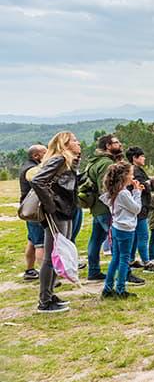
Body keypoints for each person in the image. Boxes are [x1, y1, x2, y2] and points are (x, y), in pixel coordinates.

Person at [31, 132, 81, 313]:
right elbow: (38, 181)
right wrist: (51, 206)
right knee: (51, 256)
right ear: (64, 144)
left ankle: (50, 295)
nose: (78, 143)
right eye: (74, 140)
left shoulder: (67, 161)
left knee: (57, 254)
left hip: (65, 211)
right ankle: (44, 301)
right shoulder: (58, 159)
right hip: (57, 213)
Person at [100, 162, 143, 299]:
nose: (133, 176)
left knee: (115, 259)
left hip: (117, 227)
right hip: (126, 229)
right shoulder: (123, 193)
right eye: (130, 173)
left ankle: (107, 288)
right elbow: (136, 209)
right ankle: (120, 289)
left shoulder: (113, 191)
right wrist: (137, 192)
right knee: (124, 260)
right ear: (124, 176)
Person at [84, 134, 124, 283]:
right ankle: (123, 272)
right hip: (106, 208)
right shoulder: (106, 163)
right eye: (116, 142)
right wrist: (116, 205)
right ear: (108, 146)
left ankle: (93, 271)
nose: (120, 144)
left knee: (96, 239)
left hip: (97, 207)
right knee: (117, 239)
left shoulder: (94, 161)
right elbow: (105, 188)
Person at [126, 147, 154, 274]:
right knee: (143, 236)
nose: (144, 158)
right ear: (135, 158)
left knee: (135, 236)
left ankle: (131, 260)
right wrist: (148, 184)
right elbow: (141, 187)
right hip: (140, 207)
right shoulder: (135, 171)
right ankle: (147, 262)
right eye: (142, 156)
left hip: (139, 206)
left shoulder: (135, 170)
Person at [20, 144, 47, 281]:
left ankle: (30, 270)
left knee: (32, 240)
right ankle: (45, 275)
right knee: (40, 243)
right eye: (45, 152)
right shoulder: (32, 170)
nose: (48, 154)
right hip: (35, 211)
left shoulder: (27, 166)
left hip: (29, 210)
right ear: (36, 156)